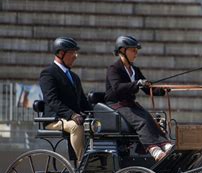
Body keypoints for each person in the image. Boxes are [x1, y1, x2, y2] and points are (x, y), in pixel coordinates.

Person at [105, 35, 174, 163]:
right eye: (133, 50)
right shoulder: (113, 69)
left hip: (130, 105)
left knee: (149, 118)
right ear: (122, 51)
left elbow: (148, 89)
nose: (136, 53)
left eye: (136, 50)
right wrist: (137, 83)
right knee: (141, 121)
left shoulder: (135, 70)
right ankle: (154, 150)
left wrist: (162, 90)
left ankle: (165, 144)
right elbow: (117, 88)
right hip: (116, 105)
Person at [39, 37, 91, 161]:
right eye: (72, 52)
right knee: (76, 126)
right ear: (60, 53)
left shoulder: (74, 77)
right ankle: (82, 163)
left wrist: (97, 115)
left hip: (74, 118)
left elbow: (83, 102)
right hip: (54, 119)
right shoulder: (48, 73)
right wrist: (71, 114)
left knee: (95, 126)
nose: (75, 56)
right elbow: (52, 100)